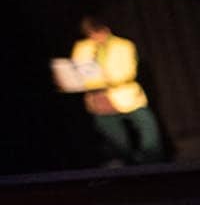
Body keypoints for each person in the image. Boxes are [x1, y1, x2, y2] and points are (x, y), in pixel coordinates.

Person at [63, 17, 164, 165]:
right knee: (115, 138)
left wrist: (104, 79)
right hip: (99, 100)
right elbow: (78, 72)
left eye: (97, 33)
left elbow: (128, 71)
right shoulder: (82, 47)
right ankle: (125, 162)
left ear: (106, 30)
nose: (95, 37)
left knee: (147, 124)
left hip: (126, 95)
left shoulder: (124, 45)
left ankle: (151, 159)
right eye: (90, 34)